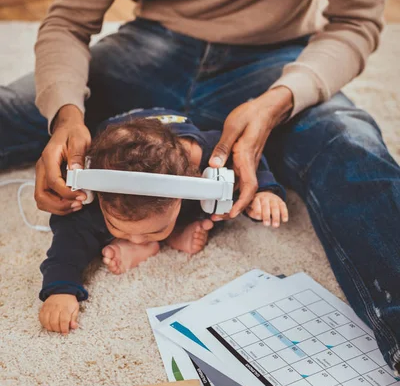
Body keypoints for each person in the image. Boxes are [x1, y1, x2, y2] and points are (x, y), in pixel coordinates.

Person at [0, 0, 398, 370]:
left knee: (353, 148)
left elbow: (355, 24)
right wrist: (66, 113)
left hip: (274, 65)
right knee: (17, 109)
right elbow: (68, 24)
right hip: (150, 47)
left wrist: (279, 101)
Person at [38, 109, 288, 334]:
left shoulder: (208, 159)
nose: (134, 236)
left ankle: (173, 230)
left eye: (154, 230)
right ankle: (164, 234)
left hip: (185, 188)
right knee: (83, 228)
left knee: (220, 206)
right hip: (127, 182)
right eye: (118, 227)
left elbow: (248, 154)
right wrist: (61, 289)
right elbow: (65, 246)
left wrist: (264, 191)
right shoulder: (92, 194)